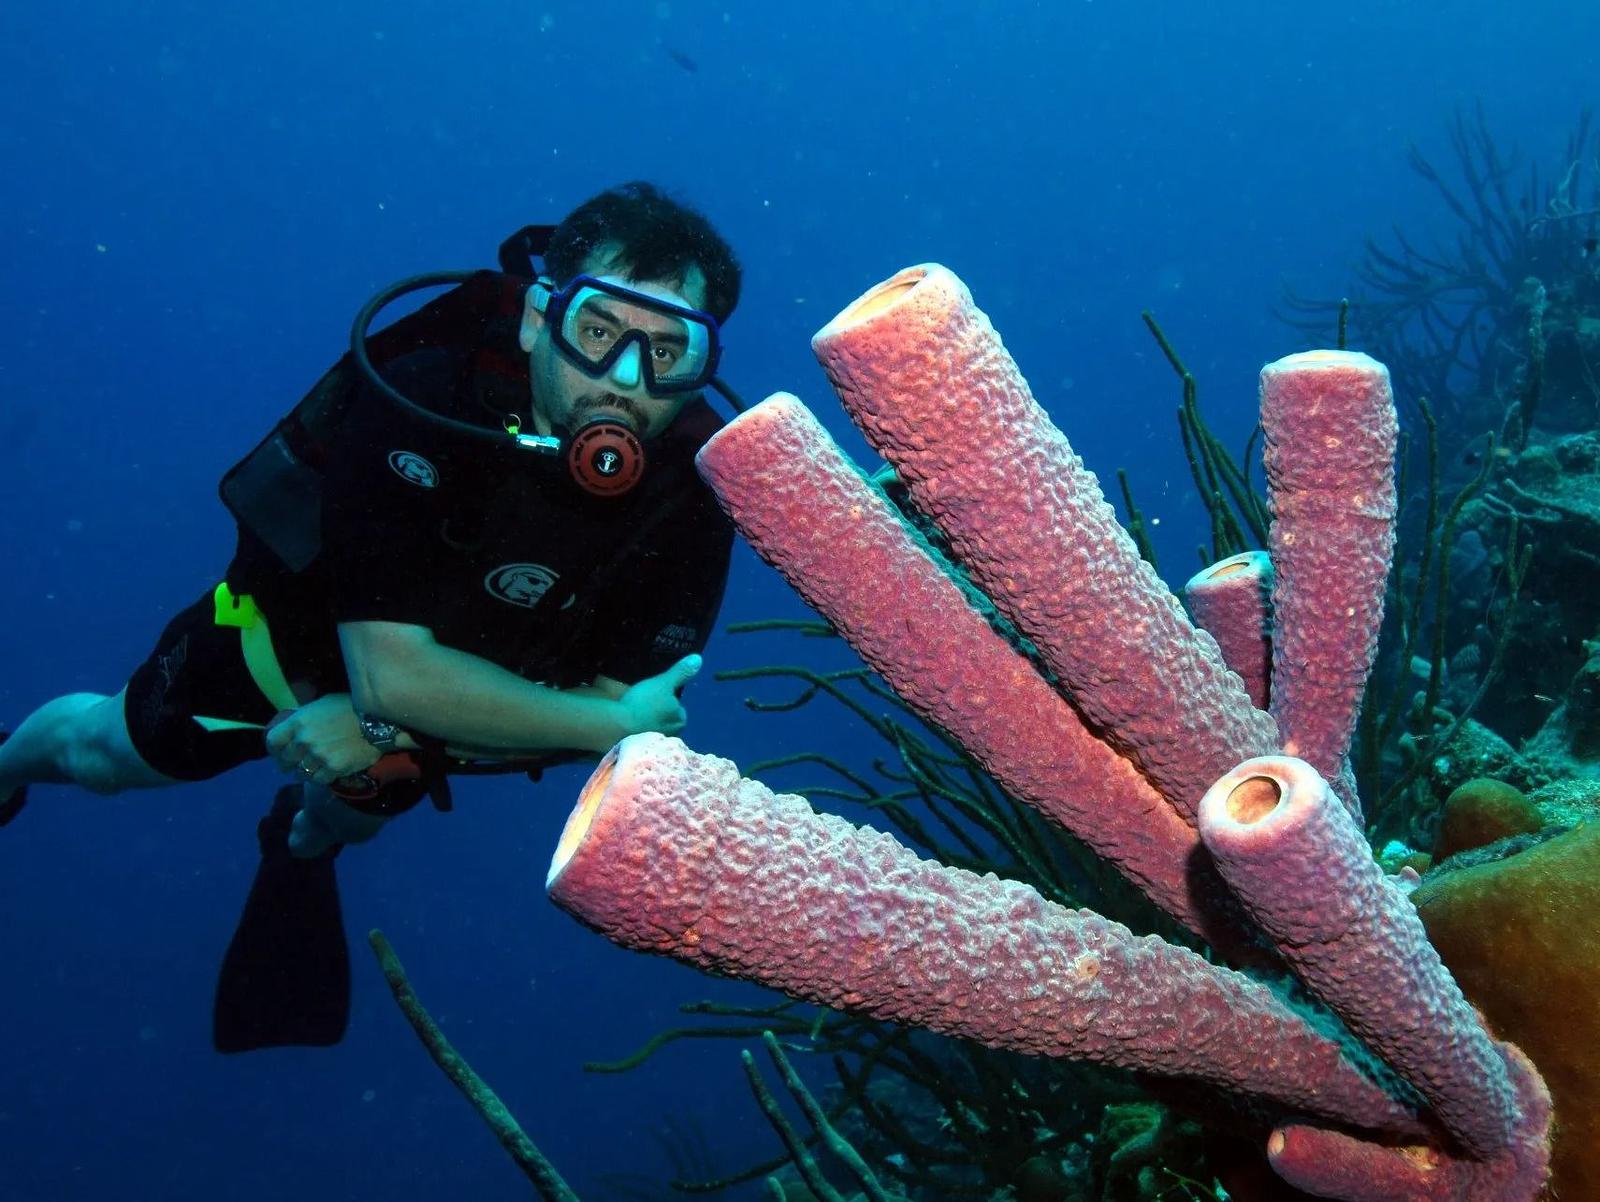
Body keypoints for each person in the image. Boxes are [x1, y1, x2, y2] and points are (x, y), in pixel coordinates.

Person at [0, 181, 744, 1050]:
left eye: (668, 351)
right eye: (599, 331)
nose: (626, 379)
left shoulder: (694, 495)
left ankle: (303, 838)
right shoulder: (422, 396)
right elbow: (411, 676)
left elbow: (627, 714)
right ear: (540, 319)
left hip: (458, 721)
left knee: (351, 810)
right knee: (103, 753)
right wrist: (406, 714)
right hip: (276, 650)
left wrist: (397, 735)